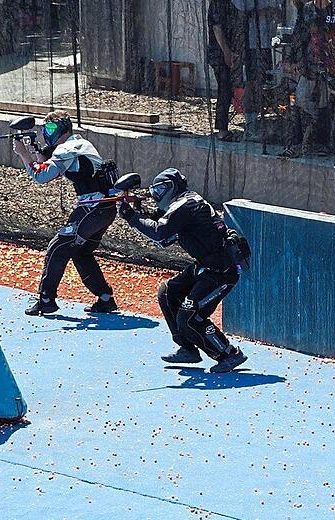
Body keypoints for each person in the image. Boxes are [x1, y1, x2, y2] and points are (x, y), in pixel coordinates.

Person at [118, 168, 249, 373]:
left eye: (160, 189)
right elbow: (166, 238)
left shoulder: (185, 204)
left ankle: (229, 353)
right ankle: (187, 348)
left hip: (222, 271)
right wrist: (139, 213)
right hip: (205, 266)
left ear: (171, 187)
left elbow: (160, 233)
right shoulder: (184, 203)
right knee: (168, 293)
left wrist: (133, 218)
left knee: (189, 315)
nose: (156, 194)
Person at [12, 111, 120, 316]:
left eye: (50, 129)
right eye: (45, 130)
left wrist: (23, 154)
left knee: (58, 248)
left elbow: (41, 175)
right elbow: (53, 164)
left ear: (62, 129)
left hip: (93, 207)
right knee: (81, 252)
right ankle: (105, 298)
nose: (47, 133)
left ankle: (46, 300)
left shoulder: (68, 149)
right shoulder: (78, 144)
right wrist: (35, 150)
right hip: (103, 208)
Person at [280, 0, 335, 157]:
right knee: (302, 104)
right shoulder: (306, 10)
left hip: (331, 69)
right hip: (309, 68)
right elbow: (296, 37)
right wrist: (289, 60)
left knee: (328, 106)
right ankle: (299, 144)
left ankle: (325, 144)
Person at [231, 0, 279, 141]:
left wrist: (274, 12)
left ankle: (258, 120)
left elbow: (277, 10)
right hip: (250, 44)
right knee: (251, 83)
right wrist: (260, 12)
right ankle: (250, 124)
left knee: (262, 82)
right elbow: (238, 12)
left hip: (266, 42)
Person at [207, 0, 243, 142]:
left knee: (228, 89)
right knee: (225, 89)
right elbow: (217, 29)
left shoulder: (230, 3)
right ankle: (222, 129)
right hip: (219, 54)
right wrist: (226, 52)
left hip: (228, 52)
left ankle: (223, 127)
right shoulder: (218, 3)